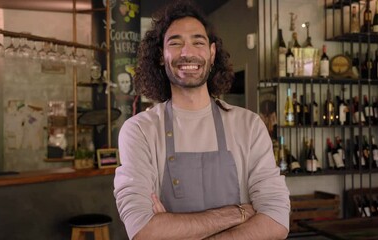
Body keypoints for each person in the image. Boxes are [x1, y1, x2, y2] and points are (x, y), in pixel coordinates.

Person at [113, 1, 290, 239]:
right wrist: (238, 213)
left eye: (198, 42)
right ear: (160, 57)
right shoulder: (139, 131)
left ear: (212, 52)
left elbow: (276, 219)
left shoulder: (249, 126)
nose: (187, 52)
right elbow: (144, 230)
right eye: (175, 43)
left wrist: (172, 228)